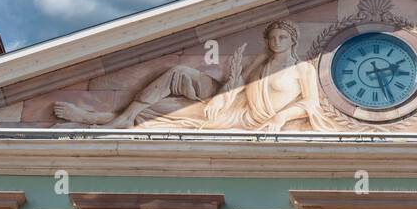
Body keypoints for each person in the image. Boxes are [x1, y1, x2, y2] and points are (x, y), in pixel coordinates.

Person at [53, 19, 333, 131]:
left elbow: (311, 104)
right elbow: (236, 83)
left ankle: (89, 118)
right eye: (272, 37)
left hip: (243, 118)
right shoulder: (260, 60)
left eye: (283, 37)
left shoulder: (302, 68)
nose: (276, 42)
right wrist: (221, 98)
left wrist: (282, 117)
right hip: (227, 101)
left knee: (158, 114)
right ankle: (123, 117)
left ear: (293, 40)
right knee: (179, 71)